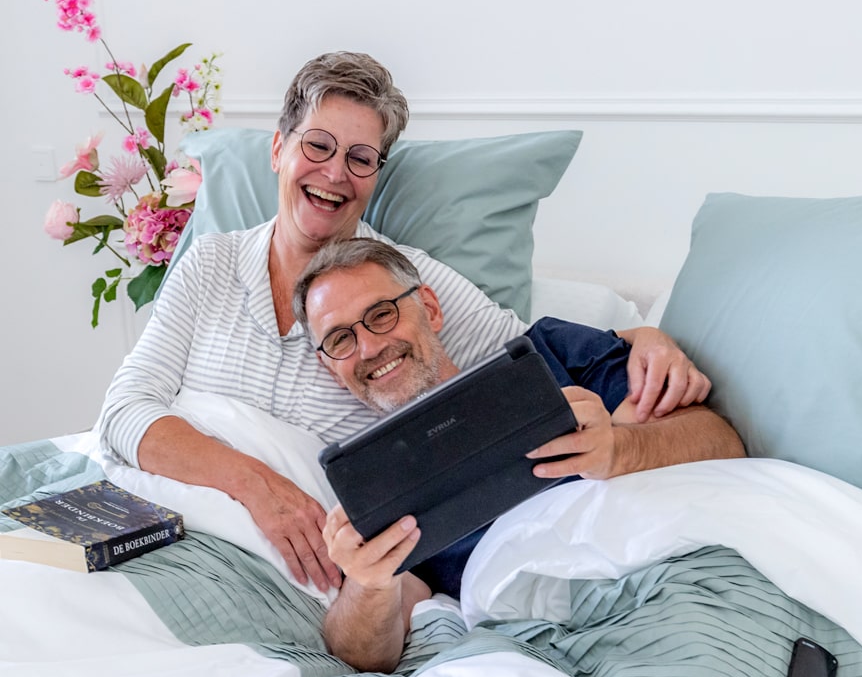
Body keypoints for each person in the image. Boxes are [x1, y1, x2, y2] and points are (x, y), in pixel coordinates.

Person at [97, 50, 708, 593]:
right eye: (317, 145)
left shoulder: (403, 281)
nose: (335, 173)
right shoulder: (210, 263)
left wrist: (637, 336)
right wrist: (256, 486)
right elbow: (122, 413)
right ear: (279, 149)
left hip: (286, 575)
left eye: (360, 158)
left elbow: (526, 360)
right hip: (162, 516)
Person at [292, 237, 747, 672]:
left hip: (662, 582)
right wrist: (369, 584)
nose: (370, 347)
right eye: (340, 340)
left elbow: (721, 441)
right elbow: (367, 657)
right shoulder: (378, 488)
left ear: (429, 308)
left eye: (382, 314)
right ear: (331, 369)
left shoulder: (550, 353)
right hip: (538, 644)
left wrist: (621, 450)